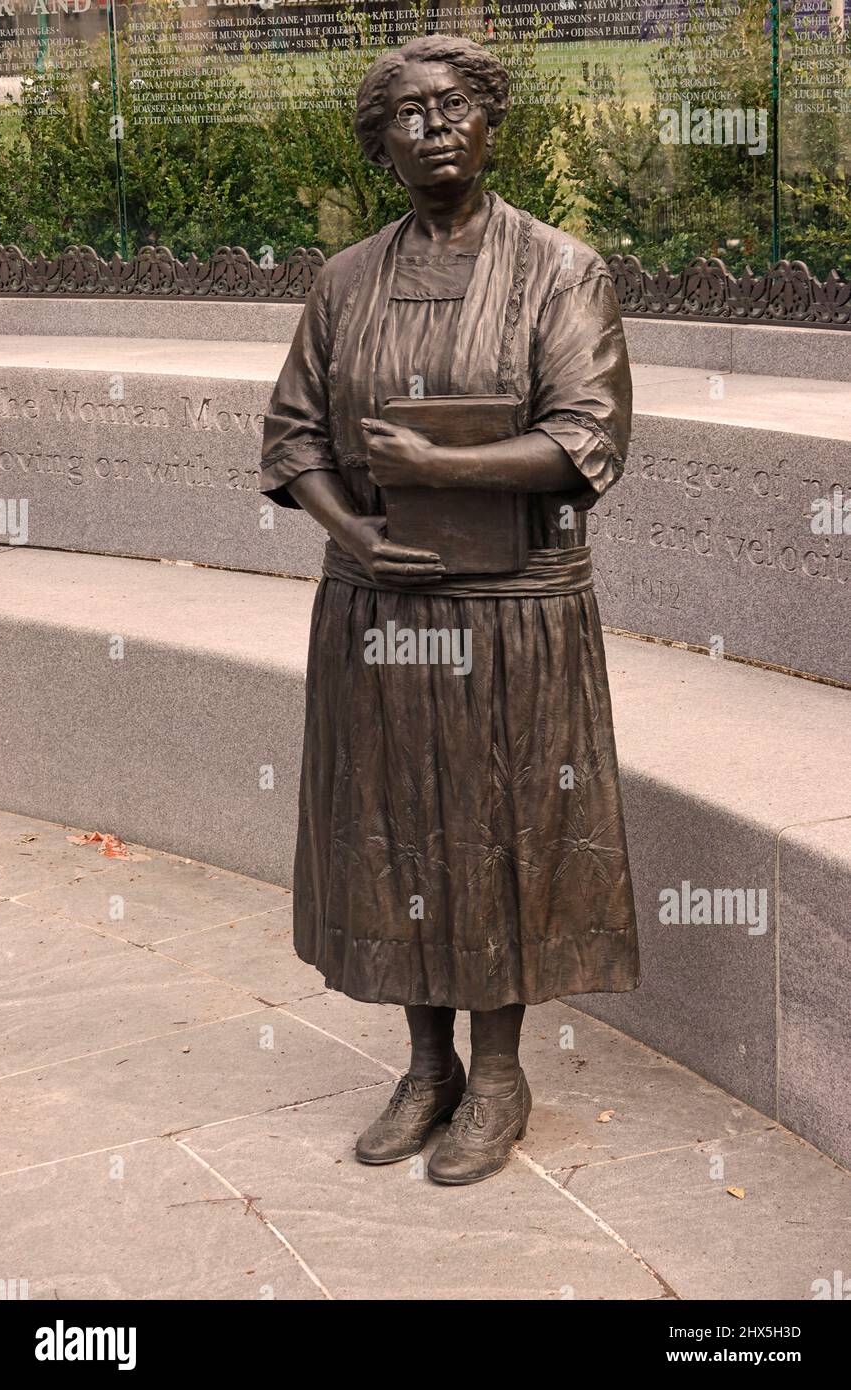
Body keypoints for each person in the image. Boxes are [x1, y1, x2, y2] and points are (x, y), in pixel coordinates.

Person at [260, 34, 640, 1186]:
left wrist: (437, 465)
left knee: (500, 832)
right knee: (390, 829)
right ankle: (425, 1065)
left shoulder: (560, 272)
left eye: (453, 106)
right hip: (377, 608)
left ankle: (502, 1071)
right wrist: (358, 531)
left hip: (513, 613)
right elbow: (293, 436)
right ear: (378, 146)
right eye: (406, 114)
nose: (432, 127)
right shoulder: (342, 281)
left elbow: (587, 437)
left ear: (489, 124)